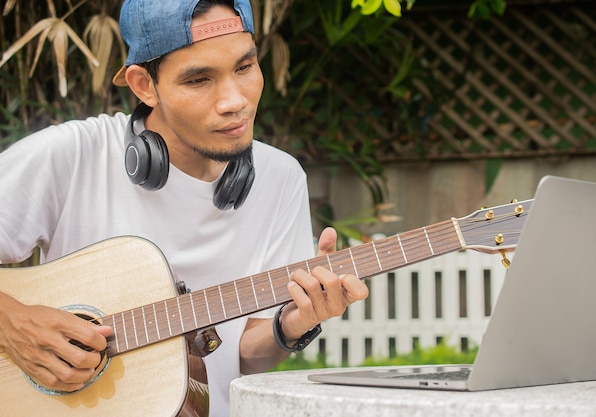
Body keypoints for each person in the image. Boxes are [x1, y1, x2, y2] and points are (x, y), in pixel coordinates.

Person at [0, 0, 368, 415]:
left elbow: (244, 355)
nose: (235, 101)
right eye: (199, 80)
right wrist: (11, 321)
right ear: (143, 86)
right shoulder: (73, 156)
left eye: (245, 67)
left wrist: (293, 325)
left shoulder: (280, 178)